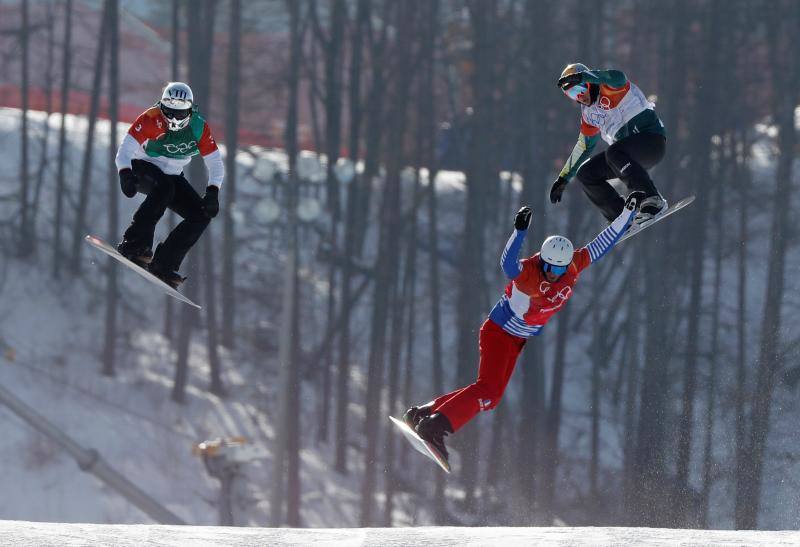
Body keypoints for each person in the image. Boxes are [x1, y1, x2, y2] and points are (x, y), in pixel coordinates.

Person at [402, 193, 641, 464]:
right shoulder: (529, 272)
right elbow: (507, 264)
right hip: (500, 332)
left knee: (489, 396)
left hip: (516, 339)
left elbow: (600, 245)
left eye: (559, 269)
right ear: (543, 261)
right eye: (549, 267)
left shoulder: (572, 265)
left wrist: (626, 215)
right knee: (488, 392)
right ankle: (436, 427)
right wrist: (519, 232)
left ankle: (423, 414)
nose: (553, 274)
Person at [114, 82, 224, 289]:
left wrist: (212, 192)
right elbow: (125, 151)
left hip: (172, 175)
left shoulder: (198, 127)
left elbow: (216, 163)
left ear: (189, 112)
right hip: (142, 166)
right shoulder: (150, 118)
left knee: (201, 215)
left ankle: (164, 264)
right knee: (165, 189)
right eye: (169, 112)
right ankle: (135, 244)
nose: (173, 119)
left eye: (180, 114)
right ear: (161, 107)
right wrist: (125, 175)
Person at [550, 63, 667, 225]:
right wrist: (563, 178)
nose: (579, 96)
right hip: (628, 157)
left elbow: (619, 77)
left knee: (613, 152)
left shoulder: (611, 87)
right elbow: (584, 147)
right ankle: (621, 218)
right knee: (586, 174)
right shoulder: (589, 115)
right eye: (572, 94)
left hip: (651, 142)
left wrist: (583, 76)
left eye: (580, 89)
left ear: (590, 81)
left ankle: (652, 199)